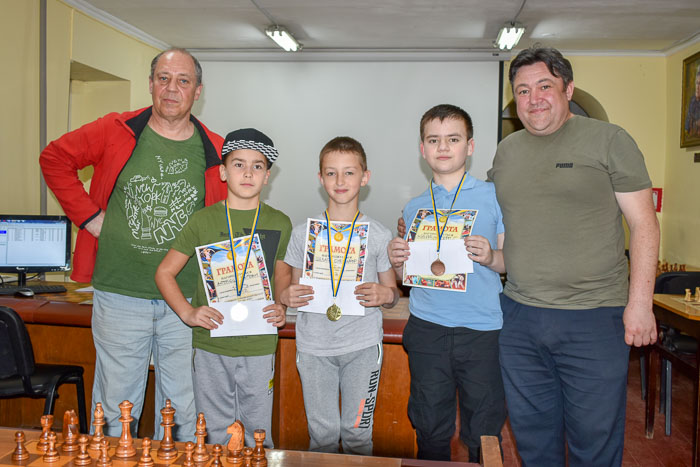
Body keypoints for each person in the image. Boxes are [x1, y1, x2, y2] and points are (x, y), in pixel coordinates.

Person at [39, 48, 226, 440]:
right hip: (120, 294)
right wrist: (90, 218)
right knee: (114, 405)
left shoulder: (216, 149)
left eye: (183, 81)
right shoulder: (116, 129)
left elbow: (231, 220)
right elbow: (54, 158)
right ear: (151, 84)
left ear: (198, 91)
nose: (171, 88)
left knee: (181, 409)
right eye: (163, 78)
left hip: (186, 302)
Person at [488, 47, 659, 466]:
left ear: (568, 88)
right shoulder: (506, 151)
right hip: (520, 317)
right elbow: (496, 223)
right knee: (533, 440)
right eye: (523, 91)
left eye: (544, 86)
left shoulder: (609, 139)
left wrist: (640, 305)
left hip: (594, 318)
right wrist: (423, 232)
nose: (534, 98)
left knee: (594, 441)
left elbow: (644, 224)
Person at [155, 128, 291, 446]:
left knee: (258, 434)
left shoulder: (280, 222)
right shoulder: (201, 221)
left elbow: (283, 276)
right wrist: (188, 313)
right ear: (222, 171)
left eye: (257, 166)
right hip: (211, 344)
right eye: (238, 164)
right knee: (215, 433)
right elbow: (164, 273)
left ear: (267, 176)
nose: (248, 173)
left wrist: (282, 306)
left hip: (259, 344)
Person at [388, 104, 507, 462]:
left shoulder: (494, 197)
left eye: (453, 139)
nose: (443, 147)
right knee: (429, 424)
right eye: (434, 140)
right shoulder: (414, 208)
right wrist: (397, 264)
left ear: (469, 146)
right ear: (422, 149)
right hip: (428, 329)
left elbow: (510, 261)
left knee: (484, 429)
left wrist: (490, 257)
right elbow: (408, 280)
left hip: (483, 329)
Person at [280, 137, 399, 455]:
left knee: (358, 433)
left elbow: (393, 294)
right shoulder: (303, 233)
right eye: (331, 173)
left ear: (365, 177)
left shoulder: (378, 233)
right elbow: (293, 290)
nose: (340, 181)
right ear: (320, 179)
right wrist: (288, 296)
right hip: (315, 347)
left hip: (361, 348)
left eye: (349, 172)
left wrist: (383, 293)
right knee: (323, 435)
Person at [685, 66, 700, 138]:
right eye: (697, 83)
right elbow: (687, 127)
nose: (697, 87)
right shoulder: (692, 101)